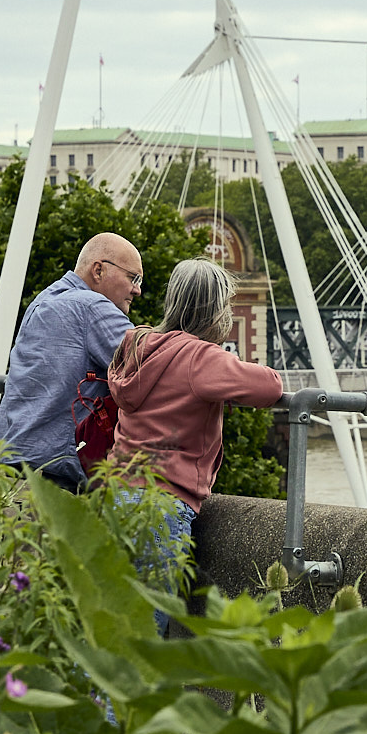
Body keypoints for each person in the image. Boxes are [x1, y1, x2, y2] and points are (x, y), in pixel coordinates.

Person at [106, 258, 284, 605]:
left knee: (105, 619)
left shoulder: (138, 345)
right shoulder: (199, 358)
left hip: (113, 493)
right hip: (160, 504)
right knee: (146, 626)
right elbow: (269, 386)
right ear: (215, 310)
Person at [0, 233, 144, 489]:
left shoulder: (43, 301)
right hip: (55, 480)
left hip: (10, 470)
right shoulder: (92, 306)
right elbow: (156, 363)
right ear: (98, 270)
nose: (137, 290)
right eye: (133, 278)